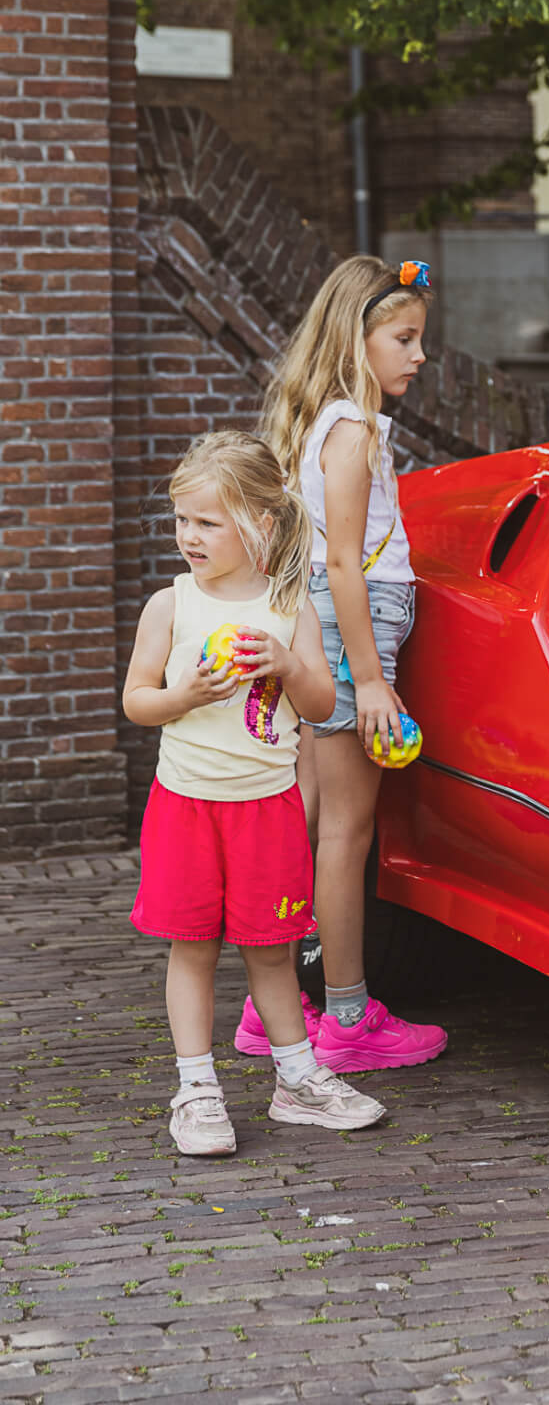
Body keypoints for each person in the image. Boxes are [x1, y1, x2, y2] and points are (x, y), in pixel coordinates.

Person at [124, 430, 386, 1156]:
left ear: (261, 523)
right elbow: (137, 701)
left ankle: (296, 1080)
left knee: (273, 951)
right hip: (185, 807)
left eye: (208, 522)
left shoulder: (288, 608)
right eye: (183, 519)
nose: (189, 536)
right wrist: (182, 696)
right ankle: (196, 1089)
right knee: (193, 949)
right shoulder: (170, 605)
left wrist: (285, 663)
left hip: (267, 809)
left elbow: (320, 704)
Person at [243, 254, 448, 1073]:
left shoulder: (315, 422)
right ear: (355, 338)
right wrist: (369, 678)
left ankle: (270, 1012)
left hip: (315, 630)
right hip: (346, 637)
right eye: (404, 338)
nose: (419, 356)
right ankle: (349, 1019)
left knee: (304, 820)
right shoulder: (353, 432)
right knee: (345, 833)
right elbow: (342, 565)